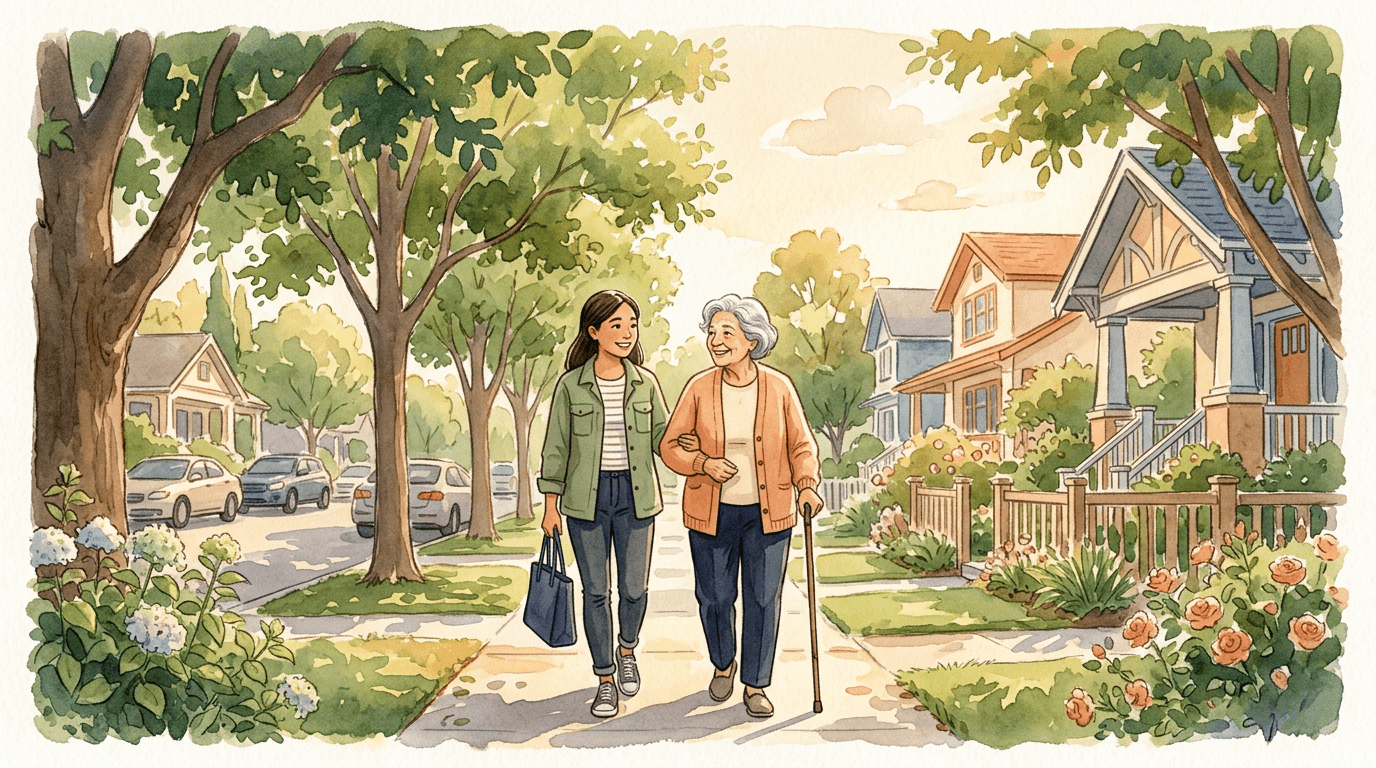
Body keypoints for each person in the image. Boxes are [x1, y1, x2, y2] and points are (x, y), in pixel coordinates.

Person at [659, 294, 823, 718]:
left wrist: (806, 486)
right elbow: (669, 446)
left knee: (763, 600)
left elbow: (802, 445)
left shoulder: (778, 387)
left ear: (751, 339)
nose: (716, 341)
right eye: (712, 333)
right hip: (711, 511)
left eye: (726, 332)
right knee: (714, 597)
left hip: (769, 512)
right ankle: (722, 664)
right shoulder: (698, 388)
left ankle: (755, 683)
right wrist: (703, 463)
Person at [538, 290, 669, 719]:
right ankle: (606, 679)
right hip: (585, 502)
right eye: (617, 325)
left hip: (636, 498)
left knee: (634, 589)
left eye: (632, 324)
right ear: (593, 332)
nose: (627, 333)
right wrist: (550, 505)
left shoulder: (646, 383)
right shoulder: (570, 386)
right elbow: (556, 448)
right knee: (596, 592)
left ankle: (626, 649)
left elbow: (664, 438)